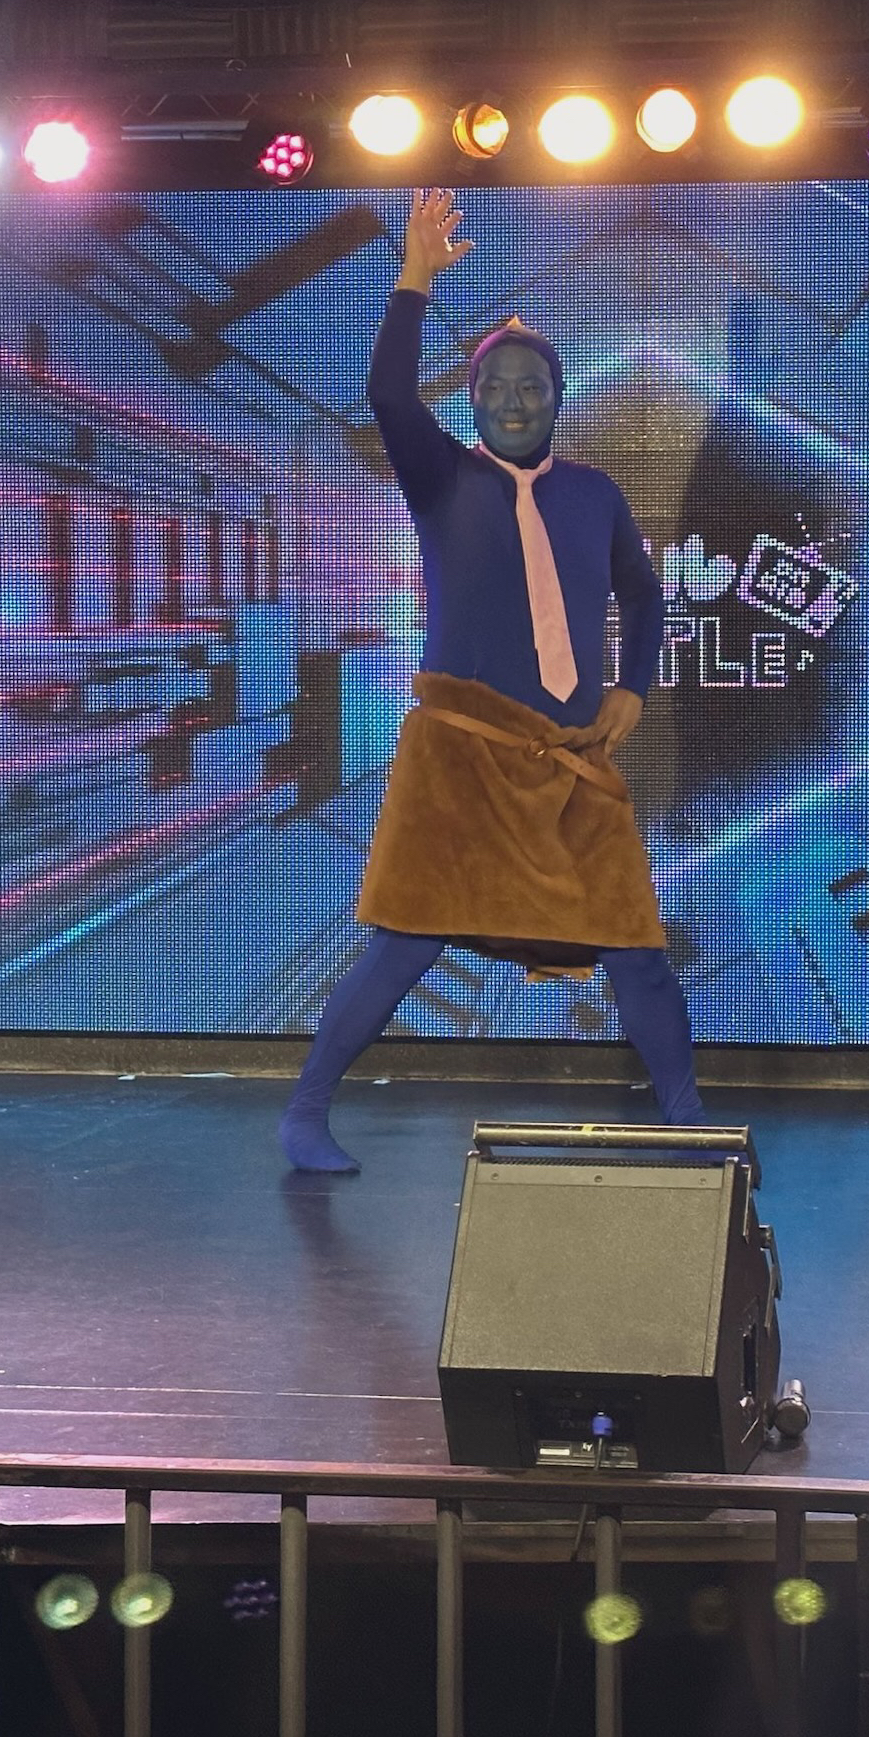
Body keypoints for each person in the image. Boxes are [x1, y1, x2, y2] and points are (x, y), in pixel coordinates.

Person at [278, 187, 706, 1173]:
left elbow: (642, 597)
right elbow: (390, 397)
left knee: (635, 947)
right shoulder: (442, 478)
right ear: (472, 402)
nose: (514, 402)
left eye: (532, 388)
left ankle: (688, 1117)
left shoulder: (595, 494)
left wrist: (633, 687)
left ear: (558, 398)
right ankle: (305, 1111)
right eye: (496, 388)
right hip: (461, 758)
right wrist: (414, 278)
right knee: (405, 943)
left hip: (568, 762)